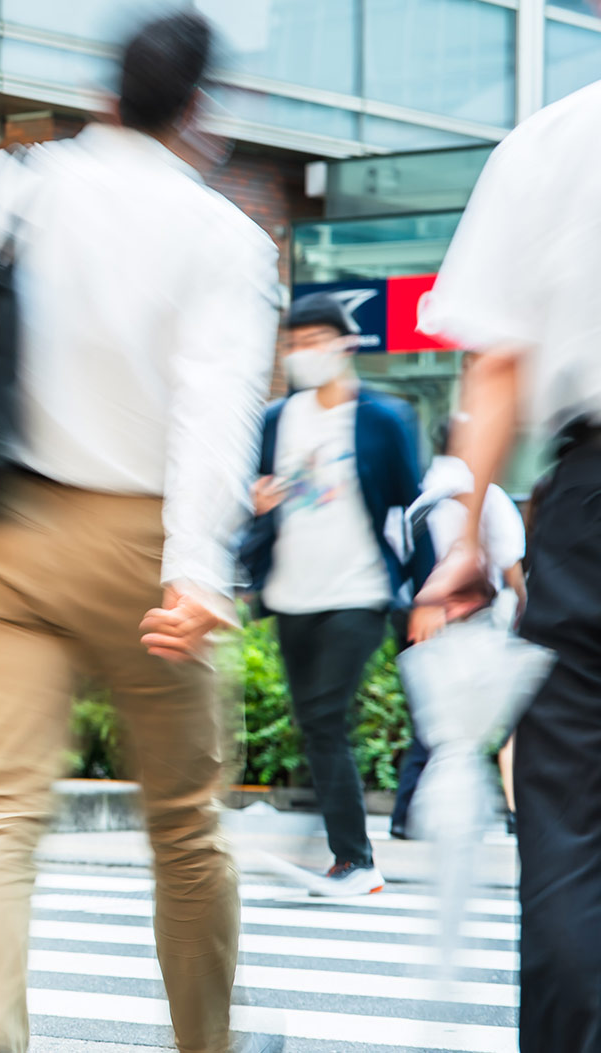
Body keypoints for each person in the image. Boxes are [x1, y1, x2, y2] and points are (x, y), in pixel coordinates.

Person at [0, 13, 281, 1053]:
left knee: (3, 815)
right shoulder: (221, 237)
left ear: (108, 90)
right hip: (143, 547)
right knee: (184, 827)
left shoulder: (10, 181)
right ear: (200, 109)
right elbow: (215, 411)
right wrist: (197, 574)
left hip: (9, 526)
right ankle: (204, 1042)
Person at [414, 75, 601, 1053]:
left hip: (590, 499)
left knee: (566, 827)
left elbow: (492, 364)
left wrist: (461, 548)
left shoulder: (549, 142)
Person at [237, 293, 432, 896]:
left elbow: (415, 508)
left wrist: (426, 594)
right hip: (293, 594)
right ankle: (345, 854)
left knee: (324, 715)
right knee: (317, 725)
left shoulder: (382, 419)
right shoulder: (277, 420)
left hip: (360, 592)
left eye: (316, 340)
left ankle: (356, 862)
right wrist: (255, 507)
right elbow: (259, 502)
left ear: (347, 344)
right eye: (294, 343)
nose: (304, 353)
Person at [387, 415, 526, 839]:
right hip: (476, 622)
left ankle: (408, 812)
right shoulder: (489, 496)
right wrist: (523, 606)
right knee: (484, 722)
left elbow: (396, 555)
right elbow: (509, 563)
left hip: (418, 617)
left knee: (430, 719)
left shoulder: (416, 497)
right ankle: (479, 813)